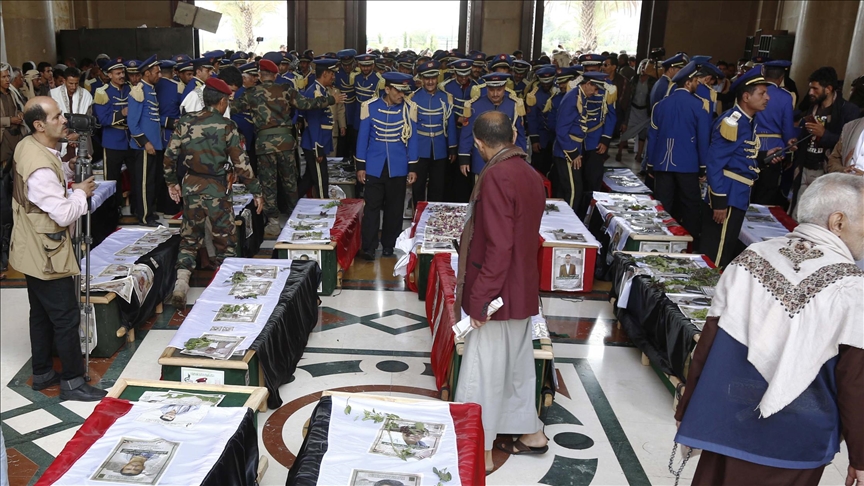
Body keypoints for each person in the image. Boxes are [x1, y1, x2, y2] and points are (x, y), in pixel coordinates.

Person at [675, 173, 864, 486]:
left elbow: (707, 344)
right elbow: (854, 381)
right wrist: (860, 457)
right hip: (798, 439)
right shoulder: (853, 287)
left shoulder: (750, 258)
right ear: (838, 222)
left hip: (728, 423)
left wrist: (688, 409)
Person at [453, 110, 547, 473]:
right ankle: (532, 434)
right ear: (514, 135)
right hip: (521, 288)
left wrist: (480, 300)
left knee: (484, 374)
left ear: (478, 144)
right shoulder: (530, 172)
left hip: (497, 293)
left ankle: (483, 451)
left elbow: (499, 245)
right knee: (517, 367)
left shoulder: (495, 176)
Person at [10, 97, 106, 401]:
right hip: (46, 251)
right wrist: (79, 193)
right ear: (39, 125)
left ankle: (42, 372)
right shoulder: (39, 167)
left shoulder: (28, 145)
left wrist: (66, 168)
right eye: (57, 116)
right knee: (66, 317)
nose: (64, 120)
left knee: (40, 313)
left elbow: (44, 185)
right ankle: (73, 382)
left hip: (30, 244)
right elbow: (63, 214)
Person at [164, 78, 263, 307]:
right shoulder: (227, 126)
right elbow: (241, 164)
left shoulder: (185, 121)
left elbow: (169, 156)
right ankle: (225, 290)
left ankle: (181, 284)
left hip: (191, 187)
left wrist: (172, 183)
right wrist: (256, 191)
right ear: (221, 101)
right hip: (217, 190)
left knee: (189, 238)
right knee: (225, 242)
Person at [231, 59, 343, 236]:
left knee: (268, 183)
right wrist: (330, 99)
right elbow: (306, 104)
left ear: (260, 75)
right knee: (290, 181)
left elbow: (232, 108)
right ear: (276, 75)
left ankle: (273, 223)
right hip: (286, 142)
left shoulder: (251, 93)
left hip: (264, 144)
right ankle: (294, 216)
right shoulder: (285, 89)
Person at [701, 68, 782, 269]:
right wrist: (719, 201)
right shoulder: (733, 123)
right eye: (762, 93)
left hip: (738, 193)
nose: (767, 98)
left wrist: (764, 156)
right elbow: (715, 163)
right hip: (728, 194)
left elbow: (739, 154)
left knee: (726, 247)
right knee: (717, 253)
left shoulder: (747, 120)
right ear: (746, 97)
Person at [646, 62, 711, 245]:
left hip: (662, 162)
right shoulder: (699, 105)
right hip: (688, 163)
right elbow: (703, 139)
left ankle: (661, 239)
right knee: (690, 203)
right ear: (688, 83)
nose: (698, 84)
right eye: (696, 81)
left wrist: (651, 163)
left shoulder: (660, 105)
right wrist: (703, 166)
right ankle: (689, 242)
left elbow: (653, 136)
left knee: (663, 203)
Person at [355, 72, 418, 260]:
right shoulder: (369, 106)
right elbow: (363, 138)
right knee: (371, 208)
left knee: (395, 208)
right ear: (387, 89)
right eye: (398, 91)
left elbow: (413, 139)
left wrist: (412, 167)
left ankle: (389, 244)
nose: (401, 95)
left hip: (398, 165)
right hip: (374, 165)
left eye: (404, 91)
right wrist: (361, 166)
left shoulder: (410, 108)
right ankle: (369, 247)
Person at [790, 67, 861, 218]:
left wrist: (824, 135)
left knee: (818, 215)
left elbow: (847, 145)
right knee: (797, 213)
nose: (810, 92)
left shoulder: (848, 110)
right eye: (810, 88)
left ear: (828, 89)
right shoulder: (812, 107)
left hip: (826, 170)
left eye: (815, 89)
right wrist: (797, 141)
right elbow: (806, 133)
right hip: (805, 166)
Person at [554, 71, 616, 216]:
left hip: (575, 148)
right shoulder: (572, 98)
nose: (596, 93)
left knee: (575, 190)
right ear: (588, 84)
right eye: (595, 88)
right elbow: (561, 129)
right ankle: (568, 223)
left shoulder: (580, 96)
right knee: (573, 191)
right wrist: (572, 153)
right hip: (567, 152)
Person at [458, 73, 526, 183]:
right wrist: (464, 158)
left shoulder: (514, 105)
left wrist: (522, 157)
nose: (495, 94)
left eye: (499, 90)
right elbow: (467, 133)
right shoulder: (475, 106)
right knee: (481, 190)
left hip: (507, 158)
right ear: (486, 88)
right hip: (481, 160)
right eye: (491, 90)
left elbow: (520, 134)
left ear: (505, 88)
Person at [408, 60, 457, 204]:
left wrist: (452, 147)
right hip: (420, 148)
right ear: (422, 79)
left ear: (438, 78)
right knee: (418, 185)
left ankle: (434, 214)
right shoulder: (413, 98)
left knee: (437, 186)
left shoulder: (446, 97)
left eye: (433, 78)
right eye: (427, 78)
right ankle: (417, 213)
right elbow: (410, 127)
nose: (430, 82)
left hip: (439, 147)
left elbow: (450, 124)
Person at [752, 60, 798, 206]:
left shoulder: (753, 91)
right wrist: (789, 152)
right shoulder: (786, 96)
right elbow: (788, 127)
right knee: (766, 192)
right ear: (781, 78)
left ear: (763, 73)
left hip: (751, 145)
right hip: (775, 148)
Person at [126, 55, 163, 227]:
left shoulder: (150, 90)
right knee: (144, 183)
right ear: (147, 73)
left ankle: (149, 211)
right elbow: (132, 123)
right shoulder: (138, 91)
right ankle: (144, 216)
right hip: (144, 146)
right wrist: (145, 142)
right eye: (157, 72)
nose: (159, 75)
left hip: (153, 144)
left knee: (151, 181)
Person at [92, 57, 133, 209]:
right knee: (112, 180)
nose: (122, 76)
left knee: (135, 177)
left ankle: (135, 209)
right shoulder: (102, 92)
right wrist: (122, 113)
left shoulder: (131, 88)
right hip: (112, 141)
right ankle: (114, 211)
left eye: (122, 72)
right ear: (109, 75)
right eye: (117, 73)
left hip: (132, 140)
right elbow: (103, 119)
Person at [298, 58, 341, 199]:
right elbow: (314, 122)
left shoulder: (321, 90)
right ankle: (324, 205)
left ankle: (290, 203)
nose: (333, 77)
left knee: (309, 179)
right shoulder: (315, 92)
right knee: (321, 180)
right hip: (315, 143)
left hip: (319, 140)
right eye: (331, 74)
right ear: (325, 74)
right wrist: (318, 149)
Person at [441, 59, 482, 202]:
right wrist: (456, 119)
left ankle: (465, 200)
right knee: (450, 168)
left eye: (466, 75)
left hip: (471, 133)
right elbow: (442, 111)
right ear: (455, 73)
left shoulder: (477, 87)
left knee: (467, 167)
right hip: (451, 133)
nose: (463, 78)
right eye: (460, 75)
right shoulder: (445, 87)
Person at [1, 63, 28, 280]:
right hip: (2, 150)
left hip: (15, 146)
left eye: (7, 76)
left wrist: (19, 116)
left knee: (15, 198)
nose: (6, 80)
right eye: (3, 77)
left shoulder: (13, 92)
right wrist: (9, 120)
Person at [154, 60, 185, 215]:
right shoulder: (178, 87)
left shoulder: (151, 86)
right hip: (171, 134)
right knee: (172, 170)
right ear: (173, 72)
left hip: (155, 135)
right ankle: (171, 206)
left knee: (158, 171)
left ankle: (159, 206)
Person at [617, 59, 656, 164]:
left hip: (645, 110)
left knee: (643, 132)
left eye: (645, 67)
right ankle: (619, 151)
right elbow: (629, 93)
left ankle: (639, 154)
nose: (643, 69)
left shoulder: (652, 81)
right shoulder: (634, 79)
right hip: (633, 109)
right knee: (626, 130)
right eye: (642, 67)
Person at [525, 65, 559, 178]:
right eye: (543, 82)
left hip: (556, 137)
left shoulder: (559, 91)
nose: (546, 85)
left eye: (548, 82)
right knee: (538, 168)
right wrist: (534, 140)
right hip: (541, 137)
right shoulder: (533, 94)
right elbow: (532, 118)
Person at [602, 56, 630, 161]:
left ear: (614, 67)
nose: (603, 67)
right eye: (603, 65)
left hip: (616, 114)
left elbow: (627, 103)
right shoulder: (599, 79)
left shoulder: (623, 81)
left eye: (606, 65)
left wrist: (625, 122)